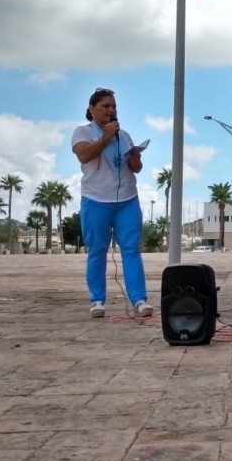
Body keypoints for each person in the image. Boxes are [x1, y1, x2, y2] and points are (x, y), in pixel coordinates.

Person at [71, 87, 152, 318]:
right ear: (92, 109)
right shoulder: (82, 132)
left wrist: (135, 158)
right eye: (106, 106)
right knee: (97, 250)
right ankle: (97, 300)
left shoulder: (124, 135)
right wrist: (105, 136)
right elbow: (84, 155)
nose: (111, 110)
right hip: (96, 199)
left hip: (127, 199)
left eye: (114, 106)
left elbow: (135, 169)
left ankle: (139, 300)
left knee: (131, 250)